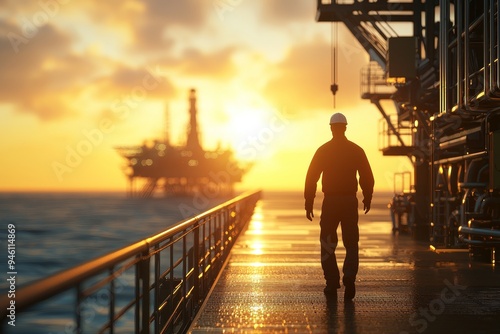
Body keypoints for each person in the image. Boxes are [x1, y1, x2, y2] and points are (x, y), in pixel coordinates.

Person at [304, 112, 374, 301]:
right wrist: (367, 196)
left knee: (327, 243)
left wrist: (309, 201)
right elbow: (366, 175)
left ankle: (332, 282)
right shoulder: (356, 150)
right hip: (350, 201)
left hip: (331, 202)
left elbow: (312, 177)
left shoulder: (323, 150)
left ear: (331, 128)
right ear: (345, 127)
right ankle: (349, 277)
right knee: (351, 243)